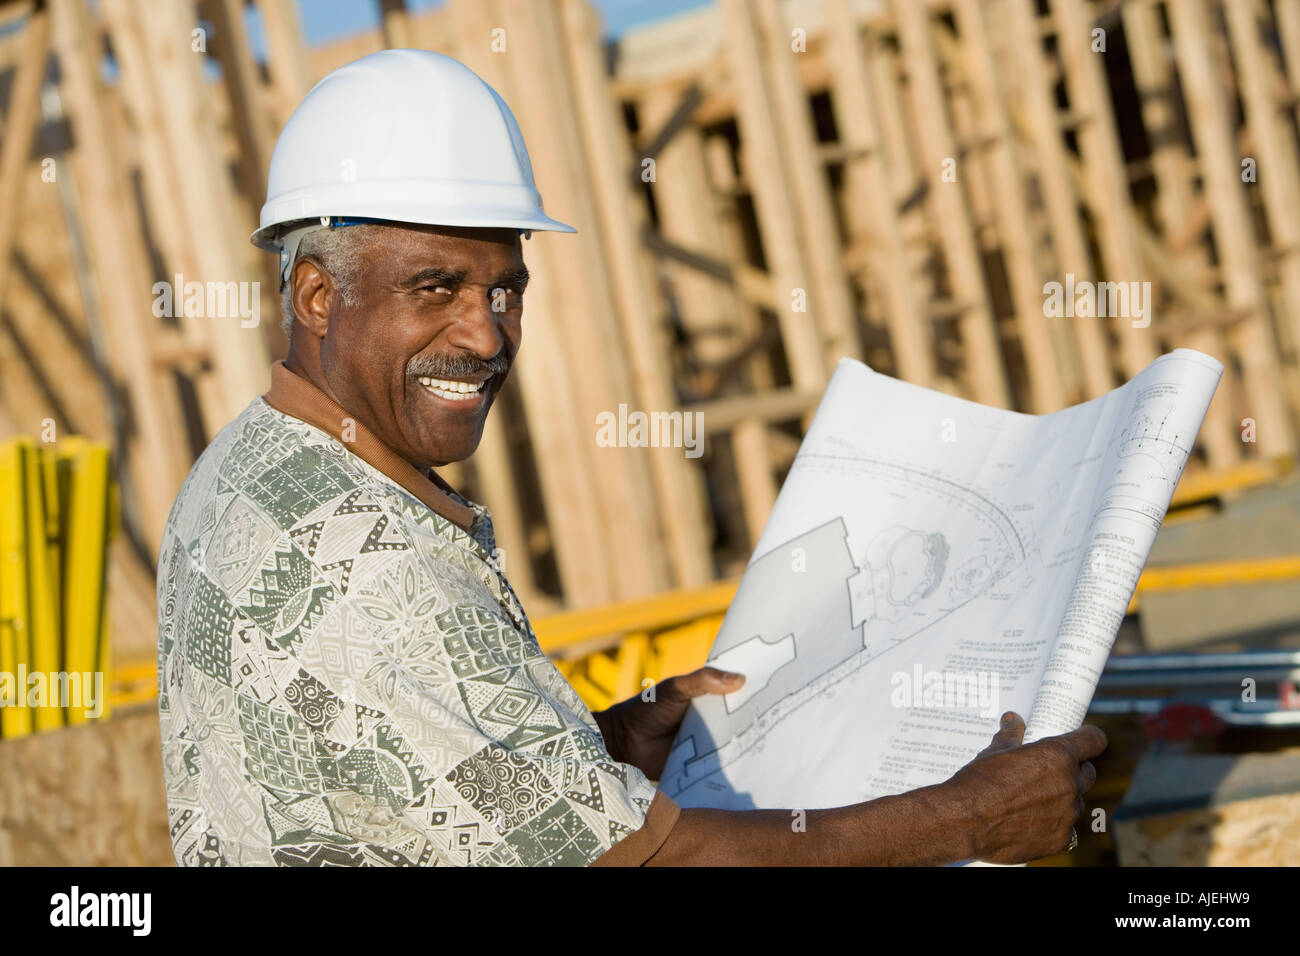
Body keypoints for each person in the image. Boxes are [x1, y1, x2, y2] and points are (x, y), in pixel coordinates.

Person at [156, 49, 1103, 866]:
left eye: (504, 290)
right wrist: (968, 815)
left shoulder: (249, 469)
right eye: (435, 286)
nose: (484, 336)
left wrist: (596, 743)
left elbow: (380, 770)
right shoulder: (365, 561)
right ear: (318, 296)